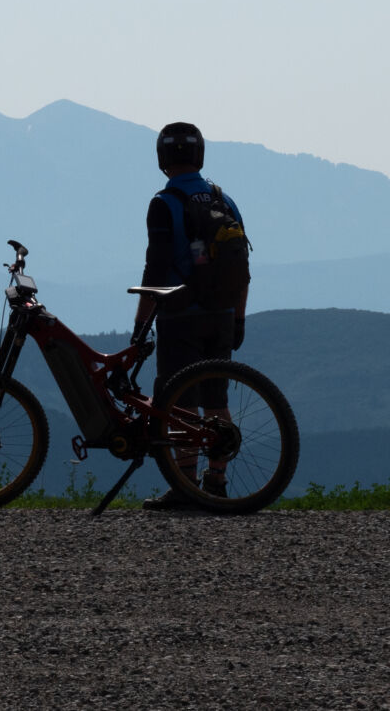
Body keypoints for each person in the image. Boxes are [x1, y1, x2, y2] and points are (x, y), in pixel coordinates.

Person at [134, 121, 250, 510]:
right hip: (221, 314)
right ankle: (215, 482)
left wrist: (139, 325)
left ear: (162, 158)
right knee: (216, 398)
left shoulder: (164, 203)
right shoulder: (224, 199)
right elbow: (242, 267)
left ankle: (184, 486)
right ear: (199, 155)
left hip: (180, 315)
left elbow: (155, 269)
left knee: (181, 403)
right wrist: (238, 318)